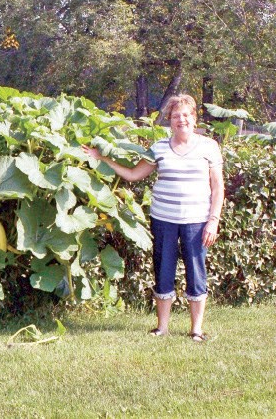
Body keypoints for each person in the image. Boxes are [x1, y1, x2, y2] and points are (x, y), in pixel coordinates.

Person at [82, 94, 224, 342]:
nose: (182, 119)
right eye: (176, 115)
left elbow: (218, 187)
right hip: (164, 219)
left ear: (194, 118)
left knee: (196, 272)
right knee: (163, 269)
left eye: (187, 115)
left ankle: (196, 330)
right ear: (170, 120)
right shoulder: (158, 148)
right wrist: (101, 157)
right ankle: (162, 328)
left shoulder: (209, 147)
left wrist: (213, 220)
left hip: (197, 221)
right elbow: (134, 175)